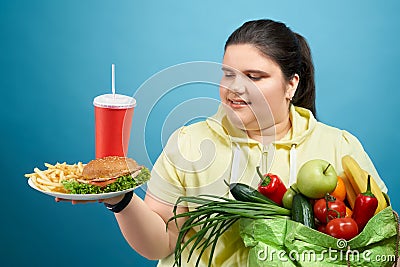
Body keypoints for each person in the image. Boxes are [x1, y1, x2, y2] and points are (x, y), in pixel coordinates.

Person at [59, 19, 388, 266]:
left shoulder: (338, 146)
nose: (235, 88)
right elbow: (160, 243)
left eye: (254, 77)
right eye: (228, 74)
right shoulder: (189, 143)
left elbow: (383, 242)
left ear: (291, 85)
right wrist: (121, 200)